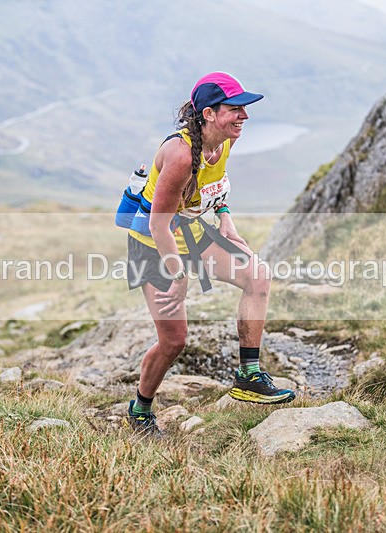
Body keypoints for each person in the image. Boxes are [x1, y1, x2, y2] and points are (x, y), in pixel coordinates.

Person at [124, 72, 295, 434]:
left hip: (193, 232)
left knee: (258, 275)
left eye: (244, 108)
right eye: (234, 109)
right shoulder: (181, 155)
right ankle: (140, 408)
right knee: (174, 341)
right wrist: (181, 276)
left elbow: (216, 188)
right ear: (208, 114)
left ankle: (248, 375)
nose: (243, 116)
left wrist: (225, 219)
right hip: (154, 245)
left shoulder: (224, 142)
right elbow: (158, 224)